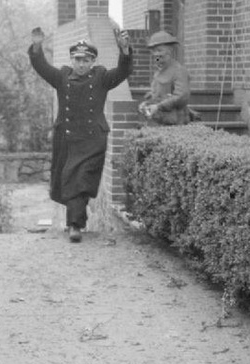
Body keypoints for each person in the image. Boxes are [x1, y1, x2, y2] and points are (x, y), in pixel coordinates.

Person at [28, 27, 133, 242]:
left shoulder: (102, 77)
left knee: (82, 180)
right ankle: (76, 222)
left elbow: (122, 72)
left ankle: (75, 224)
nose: (81, 64)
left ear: (93, 61)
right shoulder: (62, 77)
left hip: (93, 140)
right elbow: (42, 67)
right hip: (67, 140)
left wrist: (125, 51)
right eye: (78, 60)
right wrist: (37, 47)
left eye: (86, 60)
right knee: (69, 181)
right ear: (72, 60)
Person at [138, 30, 192, 126]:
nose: (156, 55)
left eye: (159, 50)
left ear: (169, 51)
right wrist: (147, 104)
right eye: (154, 51)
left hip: (174, 125)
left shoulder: (179, 71)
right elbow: (157, 95)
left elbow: (182, 96)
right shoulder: (158, 73)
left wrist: (158, 107)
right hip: (156, 122)